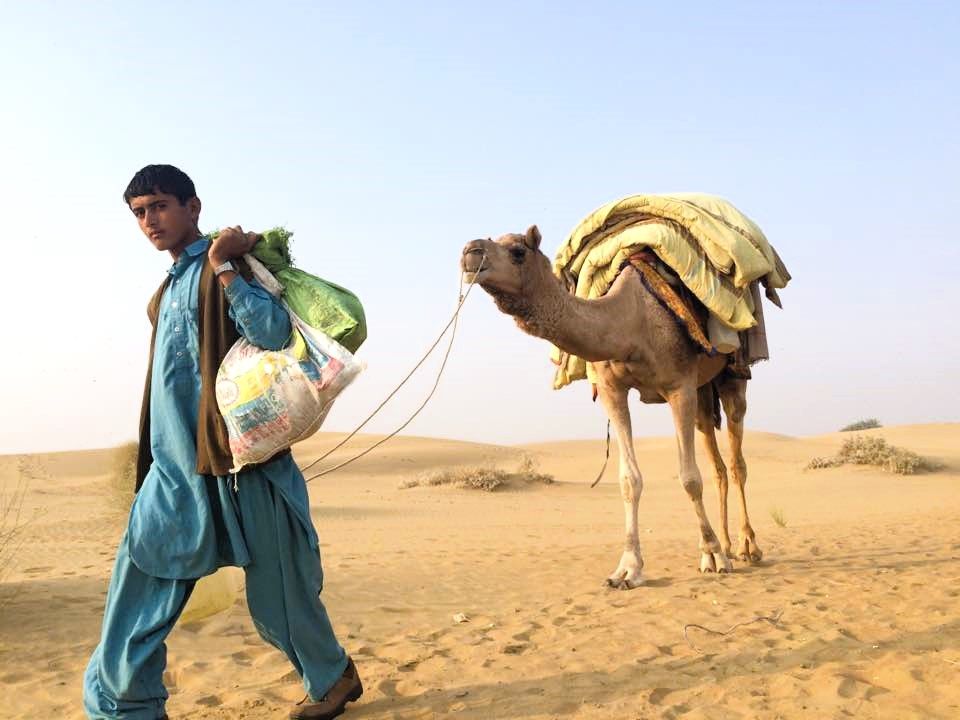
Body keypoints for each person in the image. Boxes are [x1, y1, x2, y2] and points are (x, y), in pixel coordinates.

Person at [83, 164, 362, 720]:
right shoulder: (164, 293)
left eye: (159, 206)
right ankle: (123, 708)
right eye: (139, 213)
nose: (149, 221)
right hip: (174, 468)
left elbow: (273, 334)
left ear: (193, 207)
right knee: (140, 585)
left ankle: (332, 679)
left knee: (281, 592)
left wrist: (225, 269)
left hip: (244, 462)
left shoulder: (228, 265)